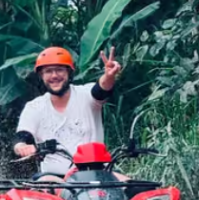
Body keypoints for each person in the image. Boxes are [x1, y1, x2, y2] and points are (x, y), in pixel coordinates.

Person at [13, 46, 122, 177]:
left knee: (131, 185)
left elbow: (101, 89)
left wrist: (109, 76)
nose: (54, 75)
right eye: (48, 71)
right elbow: (23, 135)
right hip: (54, 177)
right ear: (41, 75)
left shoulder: (86, 95)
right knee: (46, 184)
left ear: (69, 73)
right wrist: (22, 146)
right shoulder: (34, 107)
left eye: (59, 70)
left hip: (96, 173)